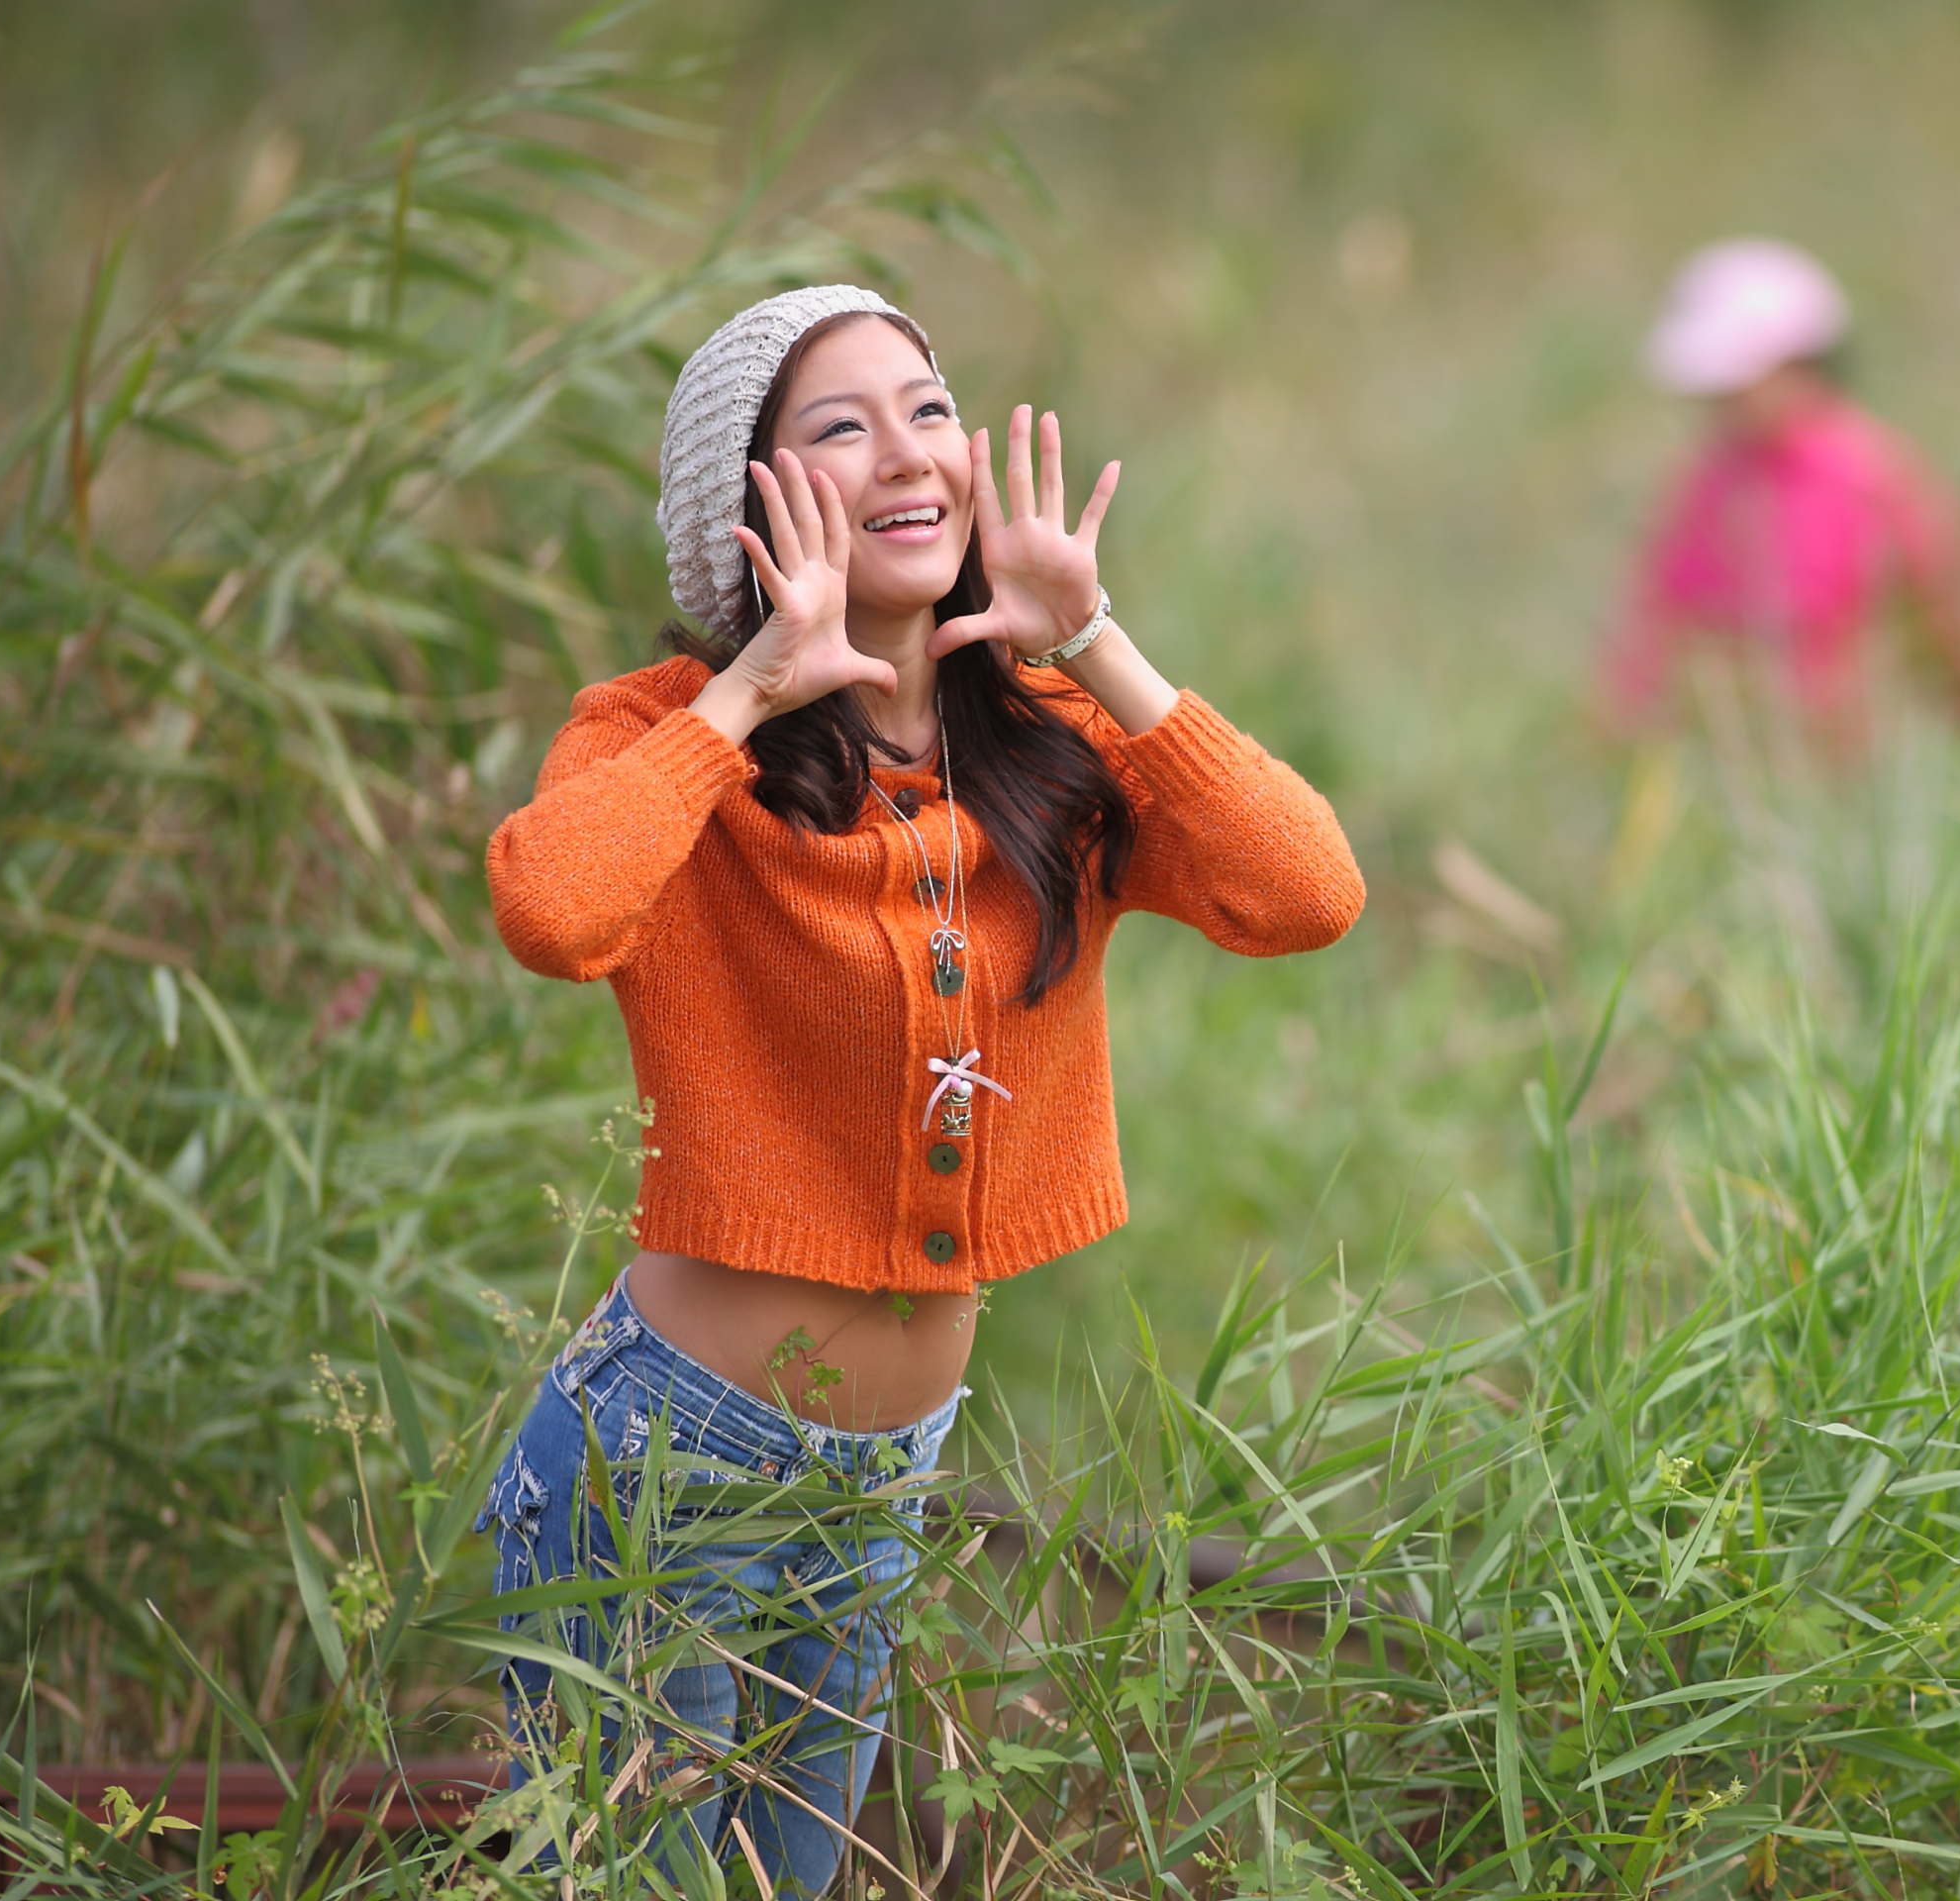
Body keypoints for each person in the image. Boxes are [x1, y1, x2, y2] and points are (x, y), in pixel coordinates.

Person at [476, 284, 1363, 1894]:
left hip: (886, 1476)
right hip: (658, 1465)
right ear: (749, 506)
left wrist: (1093, 636)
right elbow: (554, 908)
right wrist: (752, 684)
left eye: (929, 408)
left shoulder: (1048, 745)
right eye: (840, 426)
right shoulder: (668, 739)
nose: (908, 452)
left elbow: (1307, 893)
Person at [1602, 239, 1960, 750]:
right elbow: (1653, 628)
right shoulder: (1707, 481)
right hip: (1738, 766)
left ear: (1797, 365)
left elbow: (1945, 618)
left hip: (1857, 769)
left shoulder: (1873, 474)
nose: (1719, 405)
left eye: (1736, 386)